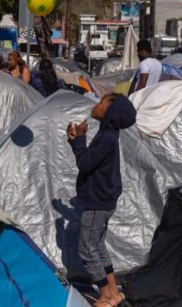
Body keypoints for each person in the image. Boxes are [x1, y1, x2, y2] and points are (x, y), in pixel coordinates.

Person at [67, 93, 136, 307]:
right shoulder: (108, 134)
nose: (95, 106)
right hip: (103, 201)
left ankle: (106, 296)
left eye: (100, 102)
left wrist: (79, 139)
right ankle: (114, 291)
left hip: (97, 203)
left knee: (87, 249)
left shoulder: (106, 137)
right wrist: (75, 142)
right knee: (98, 246)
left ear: (111, 108)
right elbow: (89, 160)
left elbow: (85, 163)